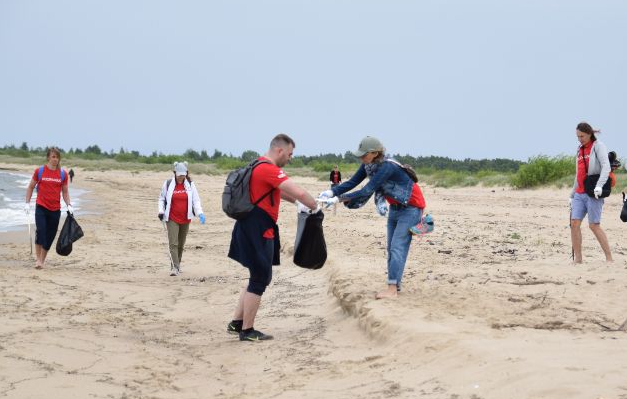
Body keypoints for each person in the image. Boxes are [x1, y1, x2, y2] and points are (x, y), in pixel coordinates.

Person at [227, 134, 319, 341]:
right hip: (257, 229)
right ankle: (247, 331)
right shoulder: (268, 169)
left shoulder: (256, 164)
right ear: (279, 151)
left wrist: (296, 204)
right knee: (260, 278)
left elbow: (279, 192)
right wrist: (314, 205)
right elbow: (298, 191)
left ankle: (237, 323)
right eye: (290, 154)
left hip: (248, 226)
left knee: (255, 276)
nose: (290, 158)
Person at [320, 136, 431, 299]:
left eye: (363, 155)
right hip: (395, 207)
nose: (361, 158)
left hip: (411, 208)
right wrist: (331, 192)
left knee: (397, 247)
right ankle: (395, 285)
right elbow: (352, 182)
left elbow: (367, 190)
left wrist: (338, 199)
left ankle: (392, 290)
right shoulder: (368, 165)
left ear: (374, 153)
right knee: (391, 248)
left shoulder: (387, 166)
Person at [569, 122, 613, 263]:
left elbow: (606, 167)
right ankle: (578, 260)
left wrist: (599, 186)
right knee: (574, 224)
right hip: (579, 193)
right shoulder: (579, 149)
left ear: (589, 134)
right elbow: (578, 173)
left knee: (594, 225)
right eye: (578, 136)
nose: (580, 139)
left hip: (593, 192)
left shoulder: (598, 146)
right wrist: (572, 194)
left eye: (582, 136)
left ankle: (609, 258)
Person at [24, 147, 73, 269]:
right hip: (41, 207)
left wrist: (69, 205)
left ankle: (42, 259)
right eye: (53, 157)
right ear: (48, 158)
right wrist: (27, 203)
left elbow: (65, 192)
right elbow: (30, 187)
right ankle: (38, 260)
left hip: (55, 209)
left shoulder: (63, 174)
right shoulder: (39, 171)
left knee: (50, 236)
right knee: (41, 231)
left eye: (57, 157)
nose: (55, 159)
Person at [157, 162, 205, 276]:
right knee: (173, 243)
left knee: (181, 244)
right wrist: (161, 211)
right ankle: (175, 267)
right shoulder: (168, 184)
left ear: (186, 174)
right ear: (174, 173)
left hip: (185, 218)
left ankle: (176, 264)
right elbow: (161, 199)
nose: (181, 177)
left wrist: (200, 213)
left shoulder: (190, 184)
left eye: (183, 175)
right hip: (171, 217)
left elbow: (196, 201)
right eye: (179, 175)